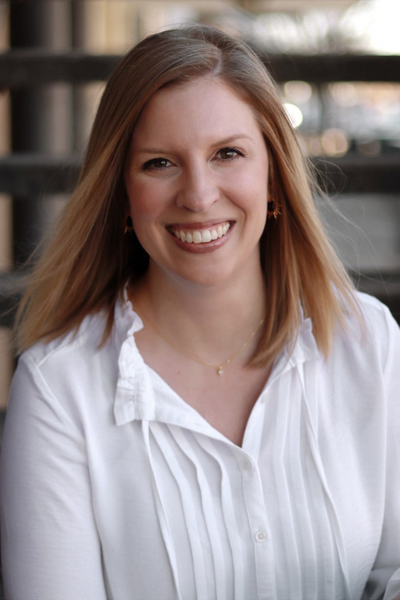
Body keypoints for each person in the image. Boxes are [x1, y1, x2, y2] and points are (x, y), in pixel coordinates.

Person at [1, 24, 399, 600]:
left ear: (274, 179)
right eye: (160, 163)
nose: (198, 194)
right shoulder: (60, 388)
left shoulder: (369, 341)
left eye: (228, 154)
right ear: (121, 195)